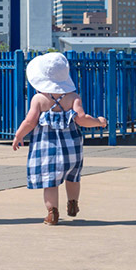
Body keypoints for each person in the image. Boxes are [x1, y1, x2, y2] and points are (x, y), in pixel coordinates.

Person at [12, 52, 107, 225]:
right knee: (73, 177)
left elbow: (30, 121)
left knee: (50, 181)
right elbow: (82, 118)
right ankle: (73, 203)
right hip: (72, 148)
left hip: (47, 148)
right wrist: (99, 122)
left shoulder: (39, 99)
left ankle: (52, 212)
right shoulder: (72, 98)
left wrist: (19, 135)